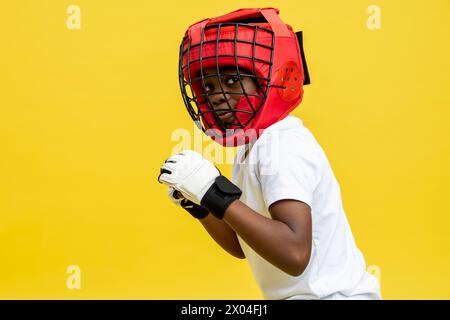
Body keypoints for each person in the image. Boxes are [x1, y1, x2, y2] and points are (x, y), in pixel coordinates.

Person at [158, 7, 381, 300]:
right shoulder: (252, 145)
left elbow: (293, 253)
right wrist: (200, 204)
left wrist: (214, 193)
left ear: (268, 81)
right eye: (208, 85)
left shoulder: (284, 143)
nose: (215, 95)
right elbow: (244, 245)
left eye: (232, 80)